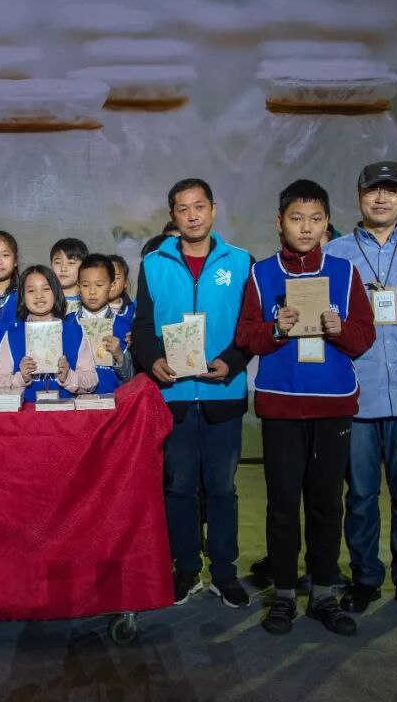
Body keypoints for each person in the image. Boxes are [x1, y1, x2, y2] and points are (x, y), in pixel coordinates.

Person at [235, 179, 375, 636]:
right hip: (281, 405)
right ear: (280, 223)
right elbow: (246, 336)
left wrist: (339, 328)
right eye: (297, 218)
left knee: (326, 503)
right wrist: (276, 328)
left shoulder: (345, 273)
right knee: (281, 504)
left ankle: (323, 593)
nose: (306, 227)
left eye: (316, 219)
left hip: (333, 404)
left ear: (327, 223)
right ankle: (282, 594)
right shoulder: (261, 274)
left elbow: (364, 337)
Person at [324, 162, 397, 620]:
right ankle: (366, 578)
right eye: (374, 190)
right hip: (357, 394)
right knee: (361, 496)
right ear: (359, 195)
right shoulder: (335, 254)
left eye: (391, 190)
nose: (382, 198)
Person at [131, 178, 253, 609]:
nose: (192, 215)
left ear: (213, 209)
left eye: (199, 206)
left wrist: (232, 361)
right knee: (180, 488)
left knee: (221, 488)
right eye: (183, 209)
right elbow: (142, 328)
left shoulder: (241, 262)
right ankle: (186, 569)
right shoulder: (153, 264)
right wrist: (153, 361)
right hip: (174, 396)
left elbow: (250, 328)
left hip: (224, 394)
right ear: (173, 216)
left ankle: (224, 571)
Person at [0, 265, 98, 402]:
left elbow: (92, 380)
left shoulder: (74, 331)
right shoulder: (13, 335)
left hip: (65, 411)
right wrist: (21, 378)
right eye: (31, 290)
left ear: (56, 292)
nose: (39, 296)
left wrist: (68, 377)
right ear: (22, 297)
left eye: (46, 289)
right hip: (27, 412)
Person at [71, 254, 133, 394]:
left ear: (112, 285)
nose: (92, 292)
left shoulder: (123, 326)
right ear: (78, 286)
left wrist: (118, 355)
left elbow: (130, 377)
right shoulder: (67, 324)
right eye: (85, 285)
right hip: (74, 400)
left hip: (112, 401)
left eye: (99, 285)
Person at [50, 238, 88, 314]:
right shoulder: (44, 299)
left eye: (71, 263)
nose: (63, 269)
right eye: (58, 262)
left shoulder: (92, 300)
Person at [106, 254, 136, 327]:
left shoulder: (133, 310)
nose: (111, 282)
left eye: (116, 278)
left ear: (125, 283)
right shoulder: (89, 310)